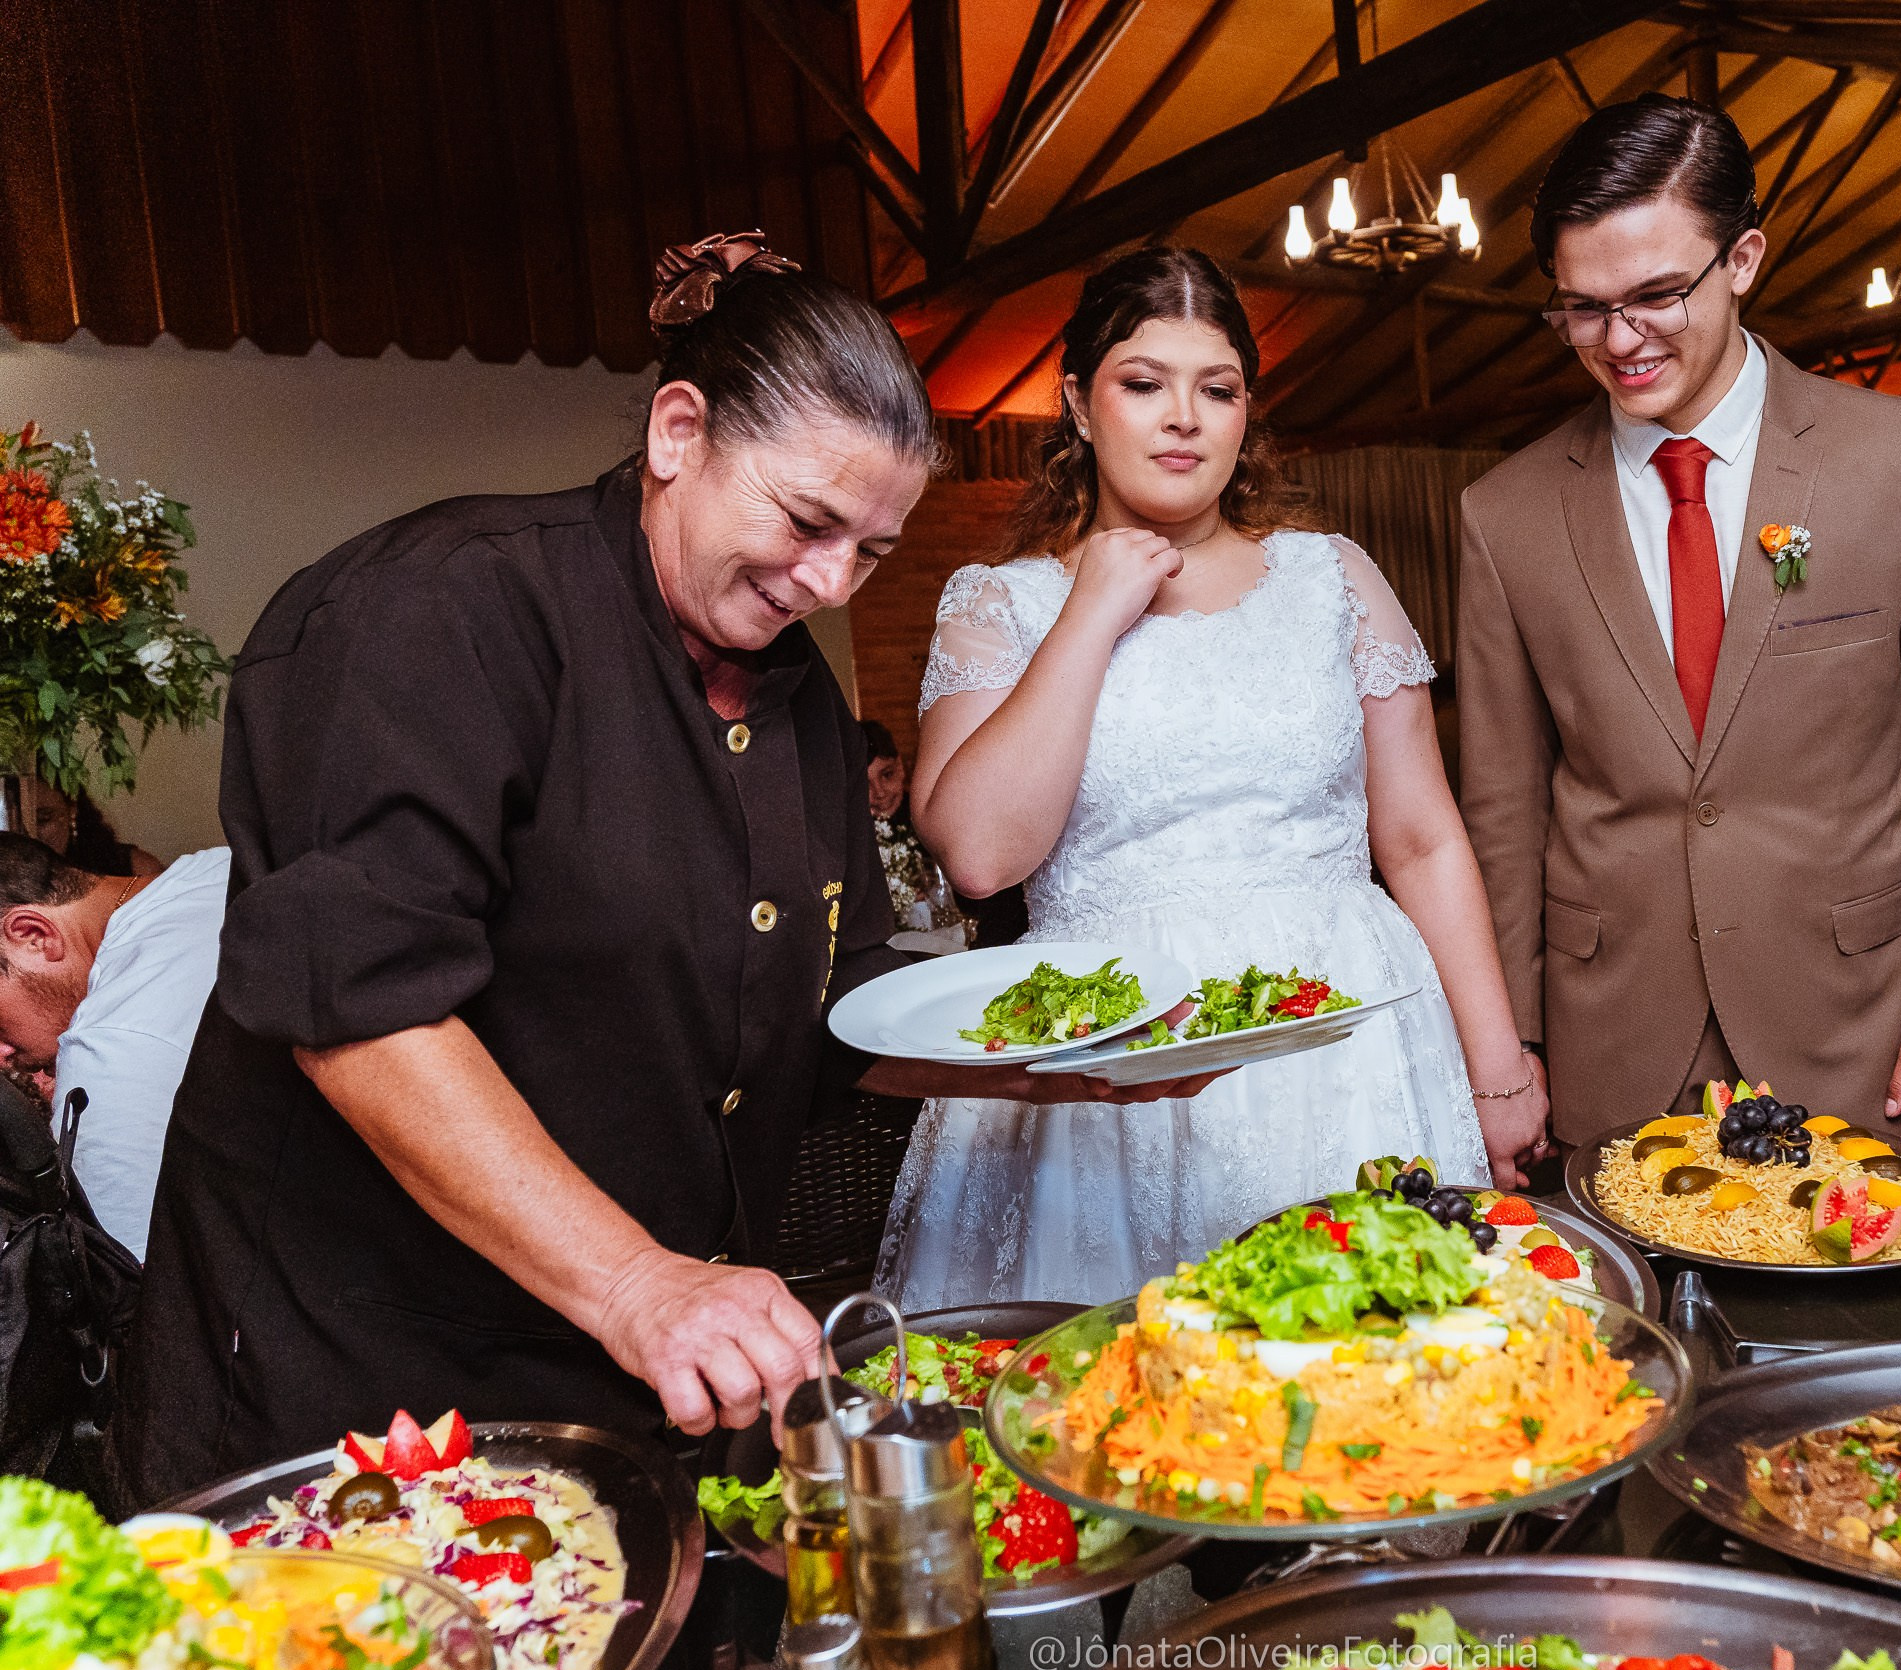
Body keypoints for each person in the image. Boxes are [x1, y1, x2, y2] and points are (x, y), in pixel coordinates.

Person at [115, 233, 1210, 1507]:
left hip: (622, 1385)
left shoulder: (797, 701)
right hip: (360, 1370)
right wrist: (638, 1283)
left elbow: (844, 1006)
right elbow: (361, 1007)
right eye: (806, 522)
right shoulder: (441, 610)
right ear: (678, 433)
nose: (827, 584)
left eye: (870, 552)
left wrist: (1063, 1065)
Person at [874, 248, 1547, 1311]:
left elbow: (1422, 839)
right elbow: (982, 856)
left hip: (1347, 1047)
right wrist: (1092, 613)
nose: (1183, 418)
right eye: (1144, 384)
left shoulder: (1333, 578)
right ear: (1079, 406)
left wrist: (1497, 1067)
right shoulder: (998, 602)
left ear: (1246, 414)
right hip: (1106, 1067)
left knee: (1378, 1367)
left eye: (1217, 389)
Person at [1458, 97, 1901, 1150]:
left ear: (1743, 260)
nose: (1619, 341)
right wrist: (1509, 1042)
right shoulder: (1504, 514)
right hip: (1610, 1038)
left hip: (1857, 1028)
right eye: (1583, 308)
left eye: (1656, 296)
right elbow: (1503, 808)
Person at [0, 832, 226, 1255]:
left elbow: (131, 1279)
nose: (1, 1057)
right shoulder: (219, 868)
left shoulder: (108, 1055)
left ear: (33, 934)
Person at [855, 718, 969, 945]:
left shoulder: (932, 817)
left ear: (900, 766)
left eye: (887, 775)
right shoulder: (854, 837)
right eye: (865, 784)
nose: (879, 792)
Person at [9, 777, 164, 879]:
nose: (31, 833)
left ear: (71, 809)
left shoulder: (135, 868)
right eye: (18, 823)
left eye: (43, 819)